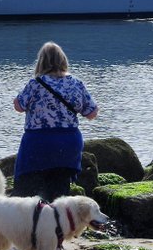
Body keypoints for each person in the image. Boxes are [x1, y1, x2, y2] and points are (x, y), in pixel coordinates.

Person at [12, 42, 99, 228]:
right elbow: (92, 113)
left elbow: (18, 106)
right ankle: (56, 242)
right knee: (59, 194)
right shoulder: (76, 83)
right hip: (68, 143)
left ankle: (23, 236)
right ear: (63, 60)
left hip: (38, 143)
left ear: (41, 62)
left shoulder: (36, 84)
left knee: (26, 192)